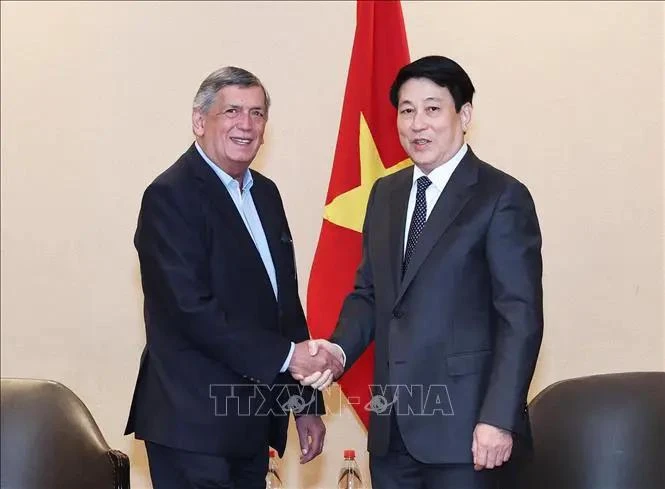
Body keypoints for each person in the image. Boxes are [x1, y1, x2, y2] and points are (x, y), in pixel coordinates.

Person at [301, 55, 543, 488]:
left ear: (464, 115)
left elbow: (519, 318)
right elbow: (370, 293)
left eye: (433, 109)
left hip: (469, 436)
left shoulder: (501, 196)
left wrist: (498, 419)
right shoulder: (385, 194)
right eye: (407, 110)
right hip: (392, 434)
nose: (417, 124)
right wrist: (338, 351)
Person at [125, 66, 343, 489]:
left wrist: (304, 403)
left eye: (257, 113)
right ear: (199, 120)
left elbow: (284, 305)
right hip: (191, 427)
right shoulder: (170, 196)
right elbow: (192, 311)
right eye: (232, 111)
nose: (246, 124)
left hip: (250, 426)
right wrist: (288, 357)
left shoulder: (265, 193)